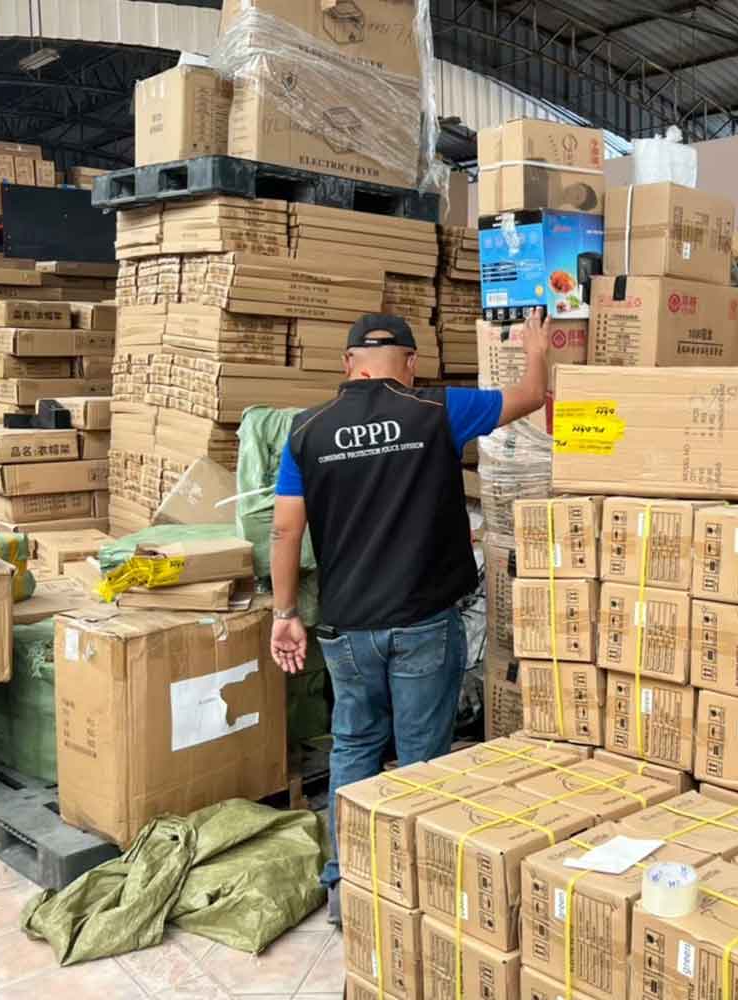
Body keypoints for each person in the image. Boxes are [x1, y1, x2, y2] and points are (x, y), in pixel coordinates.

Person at [268, 310, 551, 925]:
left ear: (348, 366)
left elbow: (285, 529)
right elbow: (532, 396)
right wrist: (535, 347)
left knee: (355, 748)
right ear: (411, 364)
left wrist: (284, 613)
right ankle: (409, 891)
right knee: (423, 759)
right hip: (423, 622)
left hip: (346, 629)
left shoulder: (307, 431)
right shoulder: (436, 411)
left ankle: (348, 891)